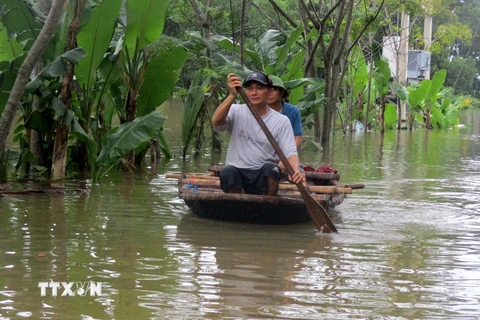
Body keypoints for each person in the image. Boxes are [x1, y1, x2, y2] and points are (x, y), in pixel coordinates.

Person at [212, 71, 305, 196]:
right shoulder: (235, 110)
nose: (254, 93)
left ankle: (267, 202)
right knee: (227, 172)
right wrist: (232, 95)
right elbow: (216, 122)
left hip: (262, 174)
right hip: (238, 172)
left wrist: (296, 171)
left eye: (259, 88)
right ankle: (238, 200)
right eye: (249, 89)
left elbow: (290, 153)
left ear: (269, 91)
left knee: (271, 169)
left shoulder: (281, 121)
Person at [267, 75, 303, 150]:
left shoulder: (293, 111)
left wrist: (289, 155)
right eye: (267, 90)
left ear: (281, 92)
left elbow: (297, 139)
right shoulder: (255, 110)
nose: (269, 94)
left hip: (286, 153)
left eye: (273, 90)